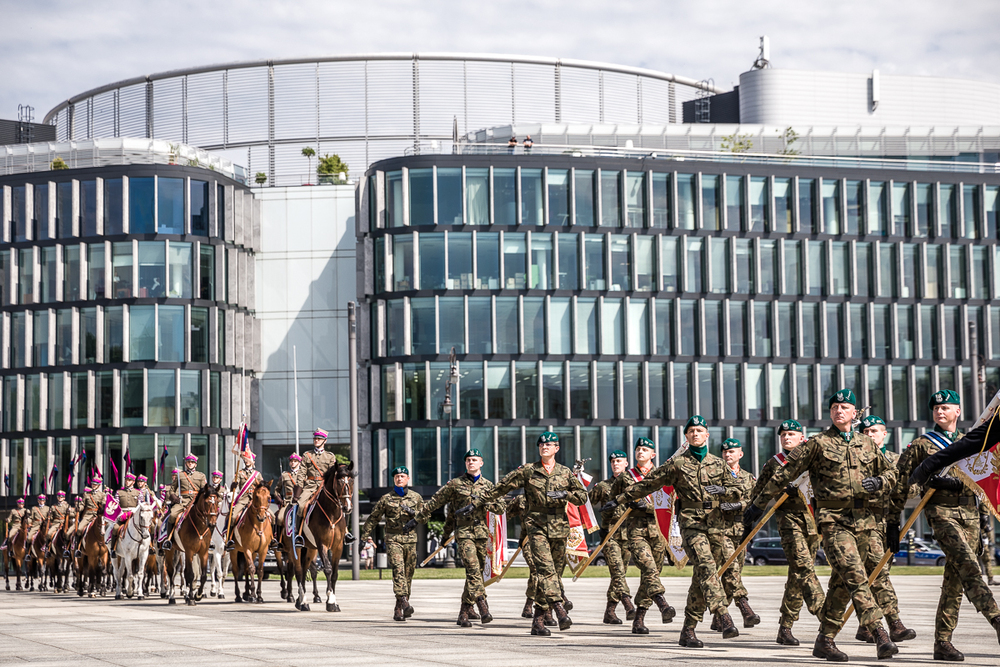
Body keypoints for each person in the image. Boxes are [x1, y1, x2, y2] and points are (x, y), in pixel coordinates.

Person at [745, 389, 899, 661]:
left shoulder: (867, 444)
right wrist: (758, 504)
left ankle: (824, 640)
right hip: (833, 520)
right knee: (856, 575)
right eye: (835, 406)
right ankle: (879, 632)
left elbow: (891, 473)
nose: (840, 410)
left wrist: (880, 482)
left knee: (842, 586)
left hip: (865, 522)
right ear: (830, 413)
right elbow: (785, 473)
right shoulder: (817, 444)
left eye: (845, 407)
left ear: (854, 413)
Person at [607, 418, 740, 648]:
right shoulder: (677, 464)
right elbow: (649, 484)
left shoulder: (719, 464)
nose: (695, 434)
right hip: (691, 524)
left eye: (700, 431)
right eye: (691, 431)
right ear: (686, 437)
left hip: (715, 526)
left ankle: (688, 630)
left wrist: (725, 492)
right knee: (707, 566)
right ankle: (723, 615)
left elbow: (739, 491)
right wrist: (620, 498)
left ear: (707, 435)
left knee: (702, 578)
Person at [889, 390, 1000, 661]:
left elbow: (981, 478)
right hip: (941, 512)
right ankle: (997, 619)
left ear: (958, 411)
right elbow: (904, 482)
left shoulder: (972, 440)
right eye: (936, 408)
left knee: (954, 581)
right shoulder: (921, 445)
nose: (940, 411)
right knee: (969, 566)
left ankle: (942, 642)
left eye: (946, 407)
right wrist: (893, 521)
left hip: (970, 514)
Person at [460, 431, 588, 636]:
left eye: (549, 444)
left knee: (552, 574)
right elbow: (500, 488)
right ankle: (559, 608)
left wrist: (567, 494)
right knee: (546, 570)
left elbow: (582, 497)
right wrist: (476, 503)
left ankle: (537, 622)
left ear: (557, 448)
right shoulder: (528, 471)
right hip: (536, 526)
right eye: (541, 444)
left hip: (559, 528)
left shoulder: (565, 473)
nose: (545, 446)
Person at [407, 449, 506, 627]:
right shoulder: (455, 484)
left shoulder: (489, 486)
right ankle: (482, 605)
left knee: (475, 573)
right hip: (464, 533)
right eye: (468, 460)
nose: (471, 462)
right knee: (473, 569)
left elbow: (500, 508)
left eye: (474, 460)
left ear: (481, 463)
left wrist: (483, 501)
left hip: (481, 534)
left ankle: (463, 612)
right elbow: (435, 502)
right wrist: (417, 518)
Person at [750, 419, 825, 646]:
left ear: (802, 437)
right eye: (783, 435)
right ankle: (826, 614)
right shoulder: (774, 463)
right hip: (789, 521)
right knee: (803, 567)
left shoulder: (813, 460)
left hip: (813, 522)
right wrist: (782, 489)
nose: (786, 437)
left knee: (797, 575)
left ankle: (785, 627)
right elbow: (759, 492)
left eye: (791, 434)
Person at [857, 415, 916, 644]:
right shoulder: (856, 459)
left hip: (888, 523)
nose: (870, 435)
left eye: (874, 431)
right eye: (866, 431)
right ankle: (894, 623)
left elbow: (911, 489)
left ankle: (865, 626)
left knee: (876, 575)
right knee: (878, 574)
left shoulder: (896, 460)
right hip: (864, 522)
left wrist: (890, 485)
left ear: (884, 434)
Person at [608, 437, 676, 634]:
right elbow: (614, 499)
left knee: (651, 575)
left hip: (658, 532)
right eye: (638, 449)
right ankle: (662, 603)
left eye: (645, 449)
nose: (640, 452)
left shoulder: (663, 475)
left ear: (653, 454)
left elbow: (669, 502)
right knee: (648, 568)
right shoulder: (625, 477)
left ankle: (638, 619)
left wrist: (646, 506)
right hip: (636, 532)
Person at [360, 465, 422, 621]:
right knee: (398, 570)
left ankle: (399, 608)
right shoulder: (386, 499)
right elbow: (374, 517)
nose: (399, 478)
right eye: (397, 477)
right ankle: (405, 603)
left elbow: (425, 516)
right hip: (393, 539)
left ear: (408, 479)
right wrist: (365, 535)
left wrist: (414, 514)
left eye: (402, 476)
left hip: (410, 540)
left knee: (408, 575)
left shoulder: (416, 497)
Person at [712, 438, 760, 631]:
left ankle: (718, 617)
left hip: (741, 531)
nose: (727, 454)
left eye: (732, 451)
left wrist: (739, 504)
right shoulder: (715, 476)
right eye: (724, 452)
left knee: (733, 573)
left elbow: (754, 500)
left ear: (740, 454)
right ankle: (745, 608)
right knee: (731, 570)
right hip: (721, 529)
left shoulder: (749, 478)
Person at [588, 449, 635, 624]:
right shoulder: (603, 486)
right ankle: (628, 603)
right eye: (613, 461)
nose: (615, 463)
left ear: (626, 463)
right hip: (610, 536)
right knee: (617, 573)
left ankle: (610, 612)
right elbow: (586, 504)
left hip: (629, 535)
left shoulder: (634, 485)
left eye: (619, 461)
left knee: (620, 574)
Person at [293, 429, 339, 548]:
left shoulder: (330, 456)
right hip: (310, 486)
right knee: (301, 506)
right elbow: (302, 474)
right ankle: (299, 535)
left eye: (319, 439)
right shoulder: (307, 455)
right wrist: (298, 491)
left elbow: (332, 474)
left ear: (324, 441)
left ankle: (346, 533)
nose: (316, 440)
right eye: (315, 438)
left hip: (324, 487)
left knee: (339, 505)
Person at [226, 450, 269, 551]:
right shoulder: (239, 473)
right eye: (245, 459)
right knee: (232, 516)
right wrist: (234, 485)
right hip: (244, 498)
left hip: (256, 499)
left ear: (253, 461)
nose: (246, 461)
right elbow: (234, 486)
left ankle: (272, 539)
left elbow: (262, 486)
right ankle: (230, 539)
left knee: (272, 516)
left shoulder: (257, 474)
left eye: (248, 459)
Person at [162, 454, 207, 550]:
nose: (190, 464)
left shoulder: (201, 475)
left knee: (208, 517)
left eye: (192, 462)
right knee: (173, 515)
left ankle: (209, 540)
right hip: (183, 501)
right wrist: (174, 498)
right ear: (186, 463)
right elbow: (172, 489)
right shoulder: (180, 475)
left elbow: (204, 490)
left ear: (195, 464)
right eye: (188, 462)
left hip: (196, 502)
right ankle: (169, 540)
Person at [74, 474, 106, 557]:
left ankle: (109, 548)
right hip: (88, 515)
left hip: (98, 515)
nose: (93, 485)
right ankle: (78, 549)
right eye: (92, 484)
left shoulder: (102, 495)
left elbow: (103, 506)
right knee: (79, 529)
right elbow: (82, 505)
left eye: (95, 484)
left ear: (99, 485)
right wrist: (78, 508)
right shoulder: (87, 495)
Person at [275, 453, 301, 537]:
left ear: (299, 463)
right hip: (288, 502)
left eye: (295, 461)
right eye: (291, 461)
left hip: (300, 501)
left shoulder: (303, 475)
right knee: (279, 518)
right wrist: (280, 500)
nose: (293, 463)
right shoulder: (284, 475)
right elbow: (276, 490)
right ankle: (278, 541)